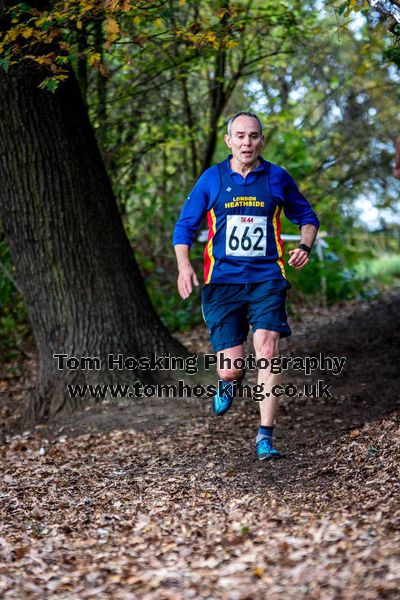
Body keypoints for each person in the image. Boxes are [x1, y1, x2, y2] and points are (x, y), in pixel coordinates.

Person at [173, 111, 319, 460]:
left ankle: (265, 436)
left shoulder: (277, 178)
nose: (247, 142)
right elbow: (184, 228)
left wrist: (304, 246)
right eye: (240, 136)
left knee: (267, 350)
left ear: (261, 140)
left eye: (253, 136)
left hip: (267, 278)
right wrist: (184, 267)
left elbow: (308, 217)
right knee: (231, 366)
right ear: (229, 141)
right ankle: (228, 380)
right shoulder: (212, 179)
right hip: (221, 282)